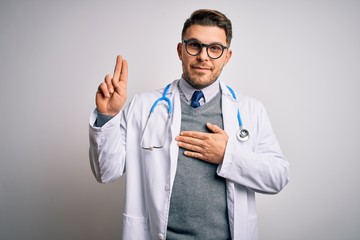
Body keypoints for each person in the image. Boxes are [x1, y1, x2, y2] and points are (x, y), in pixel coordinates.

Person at [89, 9, 289, 240]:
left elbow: (278, 177)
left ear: (227, 56)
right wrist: (108, 117)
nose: (203, 56)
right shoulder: (144, 106)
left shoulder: (250, 109)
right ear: (180, 50)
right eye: (194, 45)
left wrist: (228, 155)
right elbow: (106, 172)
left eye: (215, 48)